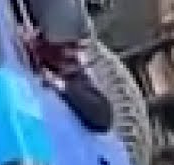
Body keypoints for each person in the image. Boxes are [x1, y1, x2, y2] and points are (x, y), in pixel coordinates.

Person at [21, 0, 115, 133]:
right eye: (68, 46)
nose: (72, 53)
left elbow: (103, 116)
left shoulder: (73, 77)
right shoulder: (26, 41)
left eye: (74, 46)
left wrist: (59, 84)